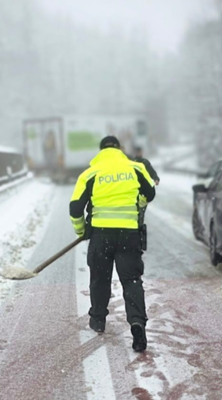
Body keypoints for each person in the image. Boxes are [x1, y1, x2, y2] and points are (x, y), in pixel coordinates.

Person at [69, 135, 156, 352]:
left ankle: (98, 319)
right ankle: (137, 322)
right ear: (119, 149)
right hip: (129, 234)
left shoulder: (90, 174)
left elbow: (75, 208)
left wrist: (82, 230)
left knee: (100, 278)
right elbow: (150, 193)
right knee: (132, 281)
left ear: (101, 151)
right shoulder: (135, 168)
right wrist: (138, 206)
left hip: (101, 236)